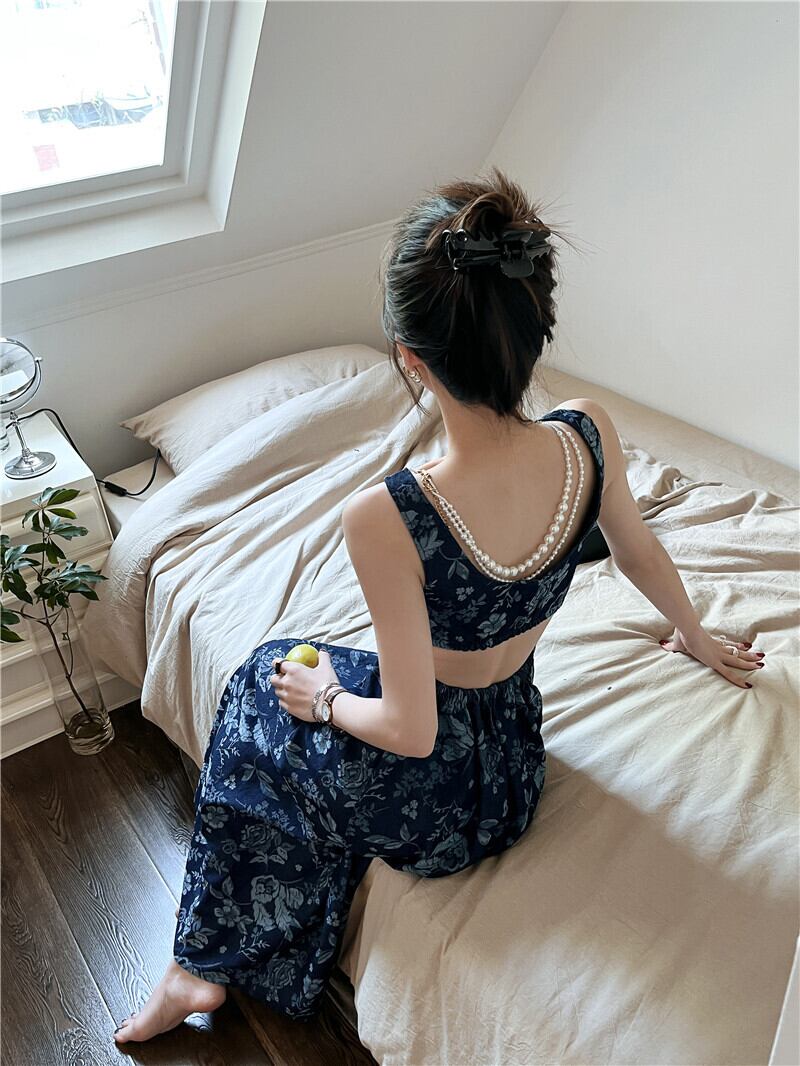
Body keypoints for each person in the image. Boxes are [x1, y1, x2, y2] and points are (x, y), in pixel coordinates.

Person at [113, 166, 765, 1044]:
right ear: (534, 325)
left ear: (409, 360)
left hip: (432, 809)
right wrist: (695, 637)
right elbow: (639, 550)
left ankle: (197, 968)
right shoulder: (590, 433)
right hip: (514, 774)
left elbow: (412, 731)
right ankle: (232, 950)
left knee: (262, 687)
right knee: (299, 680)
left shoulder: (390, 514)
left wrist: (325, 701)